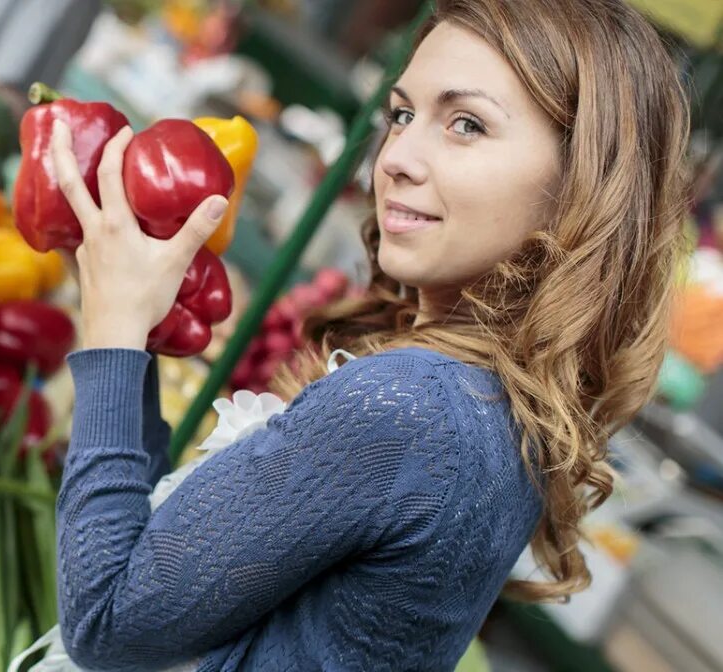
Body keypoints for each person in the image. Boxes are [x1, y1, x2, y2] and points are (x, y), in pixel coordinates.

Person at [46, 0, 691, 669]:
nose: (396, 157)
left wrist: (113, 333)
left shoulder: (412, 407)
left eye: (466, 124)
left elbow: (107, 624)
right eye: (402, 114)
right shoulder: (493, 410)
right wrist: (136, 327)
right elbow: (165, 571)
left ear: (582, 186)